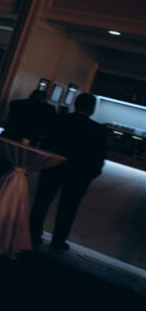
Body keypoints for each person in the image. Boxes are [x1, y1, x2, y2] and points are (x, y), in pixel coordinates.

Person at [29, 93, 108, 251]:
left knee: (42, 202)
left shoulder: (59, 121)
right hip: (79, 174)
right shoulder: (98, 129)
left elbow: (47, 144)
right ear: (92, 109)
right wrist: (92, 173)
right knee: (68, 208)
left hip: (53, 167)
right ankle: (58, 240)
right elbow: (99, 156)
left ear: (75, 104)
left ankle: (33, 233)